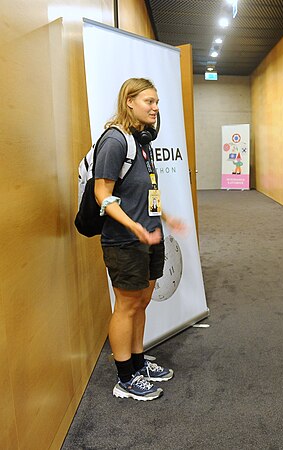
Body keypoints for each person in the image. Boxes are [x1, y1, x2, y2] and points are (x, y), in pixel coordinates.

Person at [94, 78, 185, 400]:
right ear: (129, 101)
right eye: (149, 101)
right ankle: (125, 377)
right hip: (124, 240)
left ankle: (136, 360)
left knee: (142, 302)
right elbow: (101, 194)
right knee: (127, 306)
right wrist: (133, 226)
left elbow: (147, 190)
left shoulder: (143, 142)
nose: (155, 108)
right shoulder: (114, 140)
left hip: (150, 234)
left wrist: (166, 215)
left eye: (157, 102)